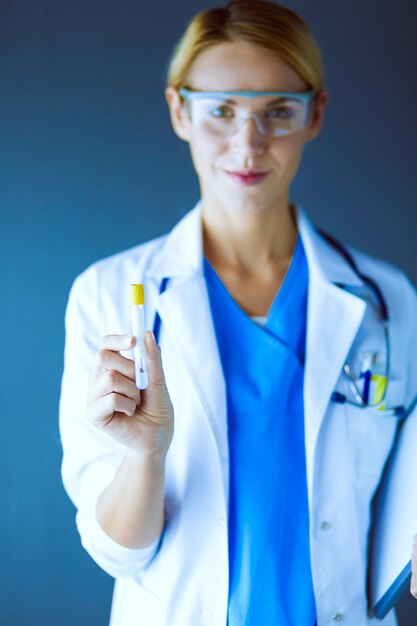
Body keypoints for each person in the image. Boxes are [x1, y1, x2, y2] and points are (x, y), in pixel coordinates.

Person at [59, 1, 417, 625]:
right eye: (221, 111)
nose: (248, 145)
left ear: (316, 114)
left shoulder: (388, 302)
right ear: (180, 111)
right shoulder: (109, 294)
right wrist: (145, 453)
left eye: (277, 112)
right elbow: (118, 551)